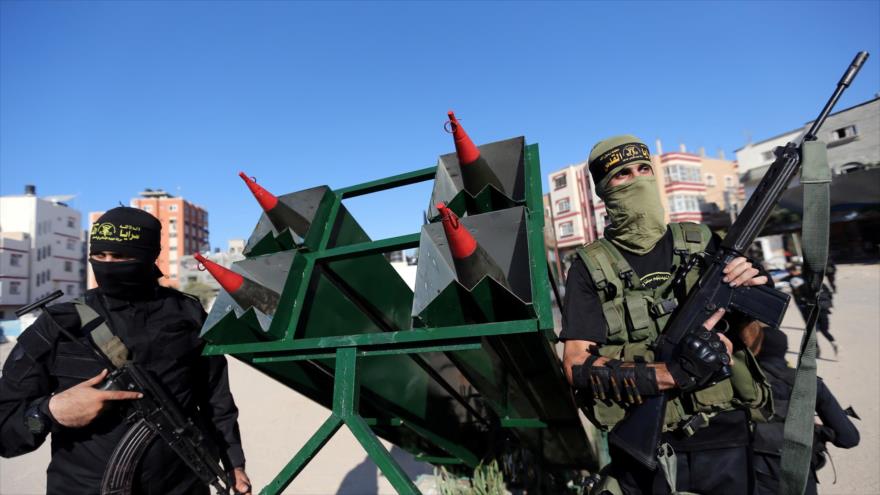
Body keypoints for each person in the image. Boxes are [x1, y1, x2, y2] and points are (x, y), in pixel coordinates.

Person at [560, 135, 772, 495]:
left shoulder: (703, 242)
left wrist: (746, 299)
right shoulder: (588, 266)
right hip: (647, 445)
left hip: (724, 433)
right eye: (622, 174)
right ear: (603, 190)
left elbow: (754, 346)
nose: (638, 179)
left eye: (644, 169)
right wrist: (672, 373)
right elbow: (576, 364)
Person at [0, 207, 252, 494]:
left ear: (149, 256)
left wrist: (234, 463)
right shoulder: (59, 324)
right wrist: (49, 411)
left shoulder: (187, 313)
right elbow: (5, 427)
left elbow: (215, 400)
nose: (108, 264)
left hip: (183, 486)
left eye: (120, 256)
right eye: (99, 255)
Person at [750, 325, 859, 495]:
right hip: (800, 479)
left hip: (751, 478)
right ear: (784, 350)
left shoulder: (739, 383)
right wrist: (818, 431)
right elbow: (849, 438)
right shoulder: (809, 382)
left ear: (754, 348)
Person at [786, 262, 837, 357]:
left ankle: (817, 350)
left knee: (811, 329)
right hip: (822, 306)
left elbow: (800, 294)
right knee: (823, 329)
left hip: (807, 307)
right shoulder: (814, 278)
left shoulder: (795, 280)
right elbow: (827, 292)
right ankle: (833, 342)